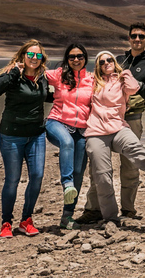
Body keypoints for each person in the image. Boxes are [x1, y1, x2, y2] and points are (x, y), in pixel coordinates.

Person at [77, 22, 145, 223]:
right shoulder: (118, 60)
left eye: (141, 36)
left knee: (130, 165)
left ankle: (128, 209)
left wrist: (138, 85)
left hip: (131, 119)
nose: (137, 39)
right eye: (134, 36)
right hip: (103, 122)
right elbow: (96, 82)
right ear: (129, 38)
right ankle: (94, 209)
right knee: (98, 167)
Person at [0, 39, 49, 238]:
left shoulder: (43, 78)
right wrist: (14, 72)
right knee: (12, 180)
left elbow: (54, 96)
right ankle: (6, 222)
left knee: (37, 177)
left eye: (38, 55)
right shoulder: (12, 76)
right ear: (23, 56)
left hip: (36, 135)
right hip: (12, 135)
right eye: (30, 54)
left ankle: (26, 220)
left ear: (42, 59)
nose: (34, 58)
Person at [44, 43, 94, 230]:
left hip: (82, 129)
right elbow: (35, 71)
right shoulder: (58, 75)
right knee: (66, 142)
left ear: (85, 58)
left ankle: (67, 216)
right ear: (67, 59)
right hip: (57, 122)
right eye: (71, 57)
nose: (75, 60)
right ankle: (67, 184)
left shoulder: (91, 79)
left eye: (79, 56)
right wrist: (17, 66)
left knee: (79, 173)